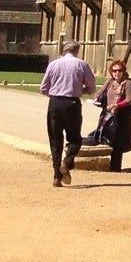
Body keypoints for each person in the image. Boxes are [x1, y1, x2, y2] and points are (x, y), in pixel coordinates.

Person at [39, 39, 96, 187]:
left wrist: (56, 94)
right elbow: (91, 87)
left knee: (55, 140)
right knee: (75, 139)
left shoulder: (53, 64)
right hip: (72, 104)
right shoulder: (81, 64)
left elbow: (44, 88)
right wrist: (79, 90)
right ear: (77, 50)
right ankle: (67, 162)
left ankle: (57, 176)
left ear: (63, 50)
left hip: (55, 103)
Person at [99, 59, 131, 171]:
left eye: (119, 70)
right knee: (106, 138)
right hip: (109, 114)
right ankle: (108, 165)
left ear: (123, 71)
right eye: (114, 70)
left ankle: (115, 167)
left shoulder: (128, 83)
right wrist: (96, 99)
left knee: (118, 142)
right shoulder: (110, 81)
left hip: (122, 116)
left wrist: (117, 105)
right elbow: (100, 92)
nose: (117, 73)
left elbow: (129, 100)